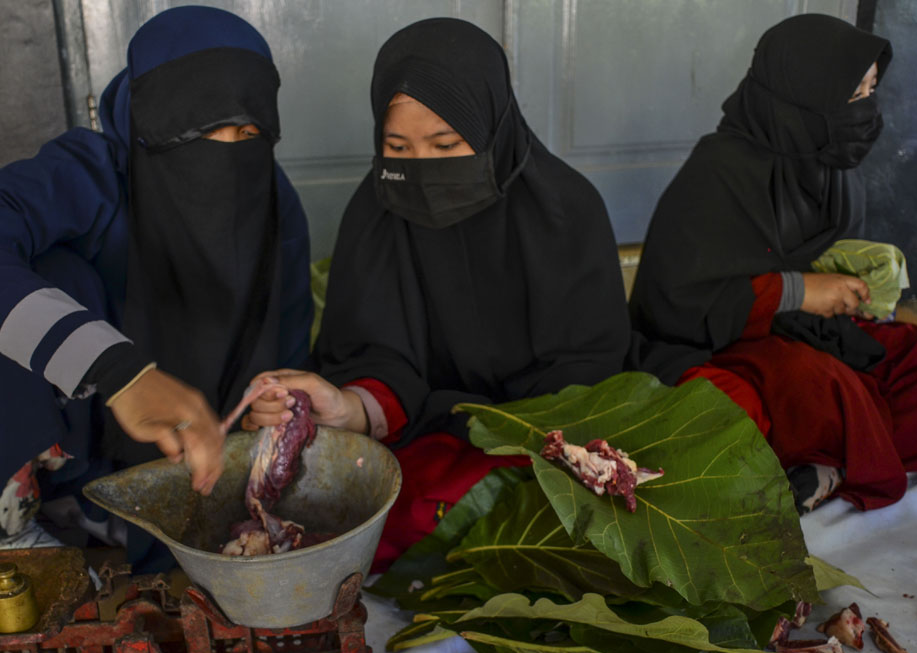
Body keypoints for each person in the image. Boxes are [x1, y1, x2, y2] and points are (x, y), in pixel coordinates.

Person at [242, 18, 702, 570]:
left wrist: (510, 433)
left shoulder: (567, 212)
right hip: (422, 429)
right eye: (397, 146)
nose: (422, 168)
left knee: (592, 501)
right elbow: (371, 354)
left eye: (446, 145)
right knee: (375, 507)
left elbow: (588, 370)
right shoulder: (375, 214)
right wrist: (350, 406)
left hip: (549, 437)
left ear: (493, 130)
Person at [0, 6, 312, 561]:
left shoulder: (276, 206)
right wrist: (117, 371)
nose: (229, 150)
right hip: (78, 443)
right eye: (202, 128)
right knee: (50, 275)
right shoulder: (89, 172)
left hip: (196, 464)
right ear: (148, 116)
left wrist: (274, 405)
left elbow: (288, 349)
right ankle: (5, 527)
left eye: (249, 131)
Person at [629, 14, 917, 513]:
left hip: (819, 334)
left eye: (871, 92)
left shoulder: (828, 159)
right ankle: (840, 456)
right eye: (854, 97)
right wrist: (797, 291)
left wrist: (852, 294)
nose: (868, 111)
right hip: (722, 343)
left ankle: (834, 462)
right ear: (802, 98)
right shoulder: (719, 173)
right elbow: (674, 304)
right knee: (823, 393)